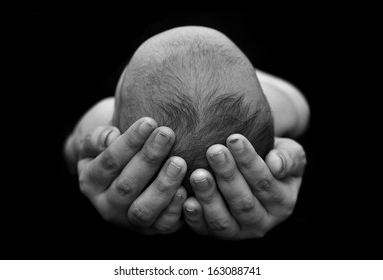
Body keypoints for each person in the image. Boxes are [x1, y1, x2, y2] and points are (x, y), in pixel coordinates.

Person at [64, 26, 309, 239]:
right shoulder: (276, 113)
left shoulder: (104, 122)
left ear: (114, 122)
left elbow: (77, 149)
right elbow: (300, 106)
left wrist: (79, 149)